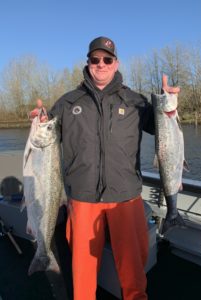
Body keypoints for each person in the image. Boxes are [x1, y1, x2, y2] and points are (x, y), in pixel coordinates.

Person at [30, 36, 179, 300]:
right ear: (87, 63)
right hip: (82, 200)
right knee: (83, 275)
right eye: (95, 59)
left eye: (107, 59)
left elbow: (166, 132)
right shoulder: (67, 103)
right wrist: (40, 120)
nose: (101, 64)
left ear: (116, 63)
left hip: (126, 199)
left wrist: (169, 104)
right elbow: (47, 140)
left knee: (133, 273)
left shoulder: (136, 101)